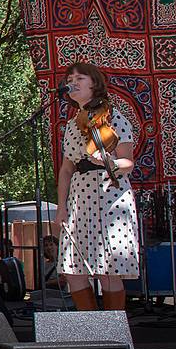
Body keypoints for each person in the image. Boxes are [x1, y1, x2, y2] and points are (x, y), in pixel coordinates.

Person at [52, 62, 139, 311]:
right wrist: (61, 208)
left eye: (80, 78)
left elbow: (128, 163)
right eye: (70, 78)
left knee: (108, 270)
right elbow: (66, 170)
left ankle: (115, 335)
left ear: (94, 84)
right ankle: (91, 333)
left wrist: (109, 161)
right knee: (73, 270)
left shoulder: (114, 119)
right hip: (80, 200)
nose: (73, 82)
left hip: (110, 198)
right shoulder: (71, 126)